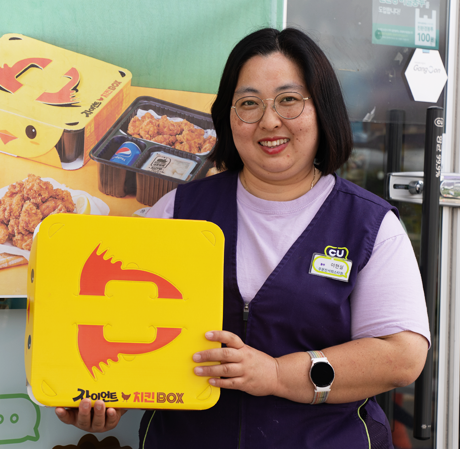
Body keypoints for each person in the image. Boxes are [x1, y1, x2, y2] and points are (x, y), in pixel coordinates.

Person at [56, 27, 430, 449]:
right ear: (228, 117)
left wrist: (278, 374)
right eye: (249, 103)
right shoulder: (177, 211)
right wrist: (109, 397)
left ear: (321, 108)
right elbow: (126, 327)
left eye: (289, 100)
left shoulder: (368, 224)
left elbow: (402, 357)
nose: (269, 120)